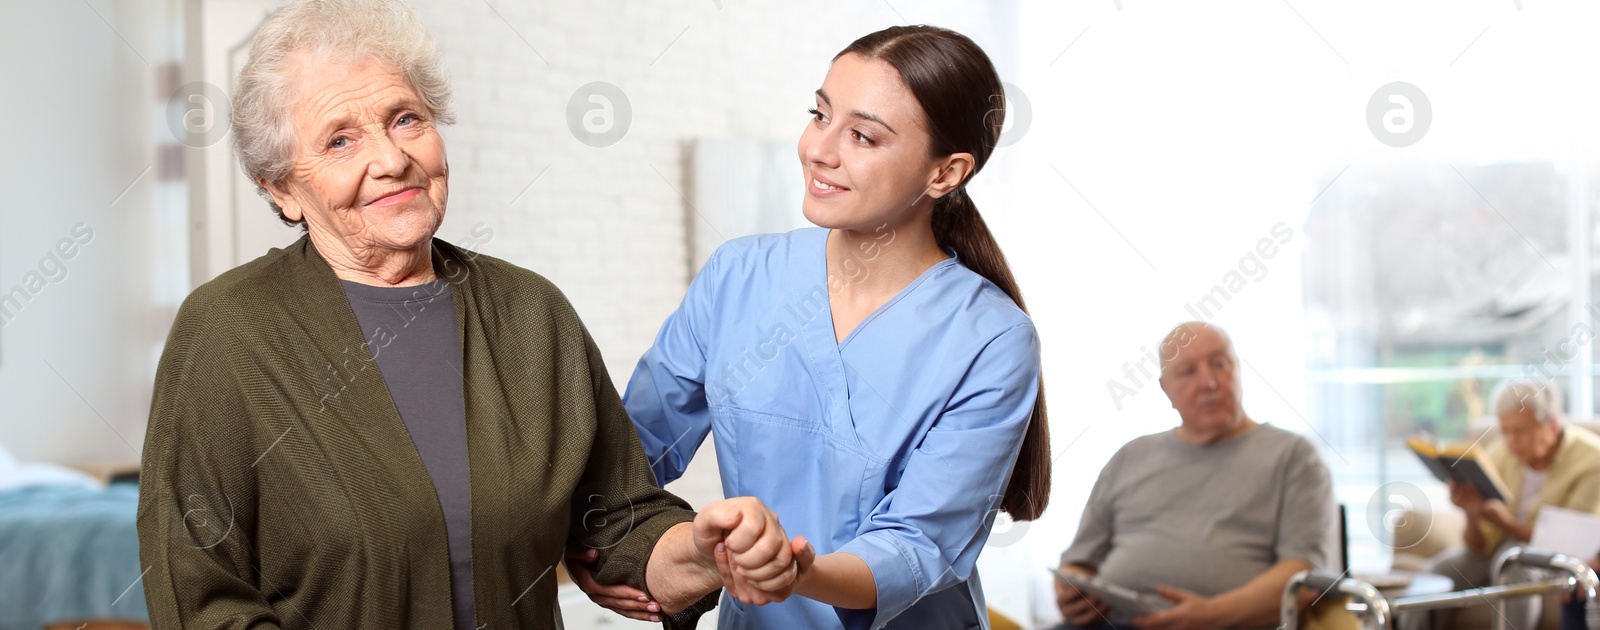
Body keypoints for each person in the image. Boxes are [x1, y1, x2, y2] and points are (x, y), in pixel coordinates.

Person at [135, 2, 805, 628]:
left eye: (406, 119)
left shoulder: (530, 315)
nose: (392, 159)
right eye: (341, 140)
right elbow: (199, 587)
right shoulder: (227, 331)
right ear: (282, 189)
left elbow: (617, 523)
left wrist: (702, 551)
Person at [567, 24, 1051, 629]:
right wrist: (621, 550)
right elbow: (628, 453)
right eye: (819, 115)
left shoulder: (993, 340)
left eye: (863, 136)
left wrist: (795, 572)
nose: (820, 149)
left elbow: (918, 546)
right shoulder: (738, 277)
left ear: (945, 173)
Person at [1054, 322, 1334, 630]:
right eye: (1188, 372)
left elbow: (1303, 578)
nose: (1210, 383)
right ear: (1165, 389)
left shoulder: (1293, 455)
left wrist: (1212, 616)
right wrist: (1070, 592)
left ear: (1238, 369)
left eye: (1220, 364)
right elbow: (1077, 562)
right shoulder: (1130, 456)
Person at [1412, 378, 1600, 630]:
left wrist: (1503, 522)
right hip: (1492, 551)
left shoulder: (1591, 460)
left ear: (1552, 424)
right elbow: (1478, 547)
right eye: (1505, 431)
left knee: (1512, 562)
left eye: (1520, 431)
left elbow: (1568, 543)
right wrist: (1472, 513)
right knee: (1436, 572)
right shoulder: (1500, 452)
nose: (1511, 441)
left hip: (1543, 557)